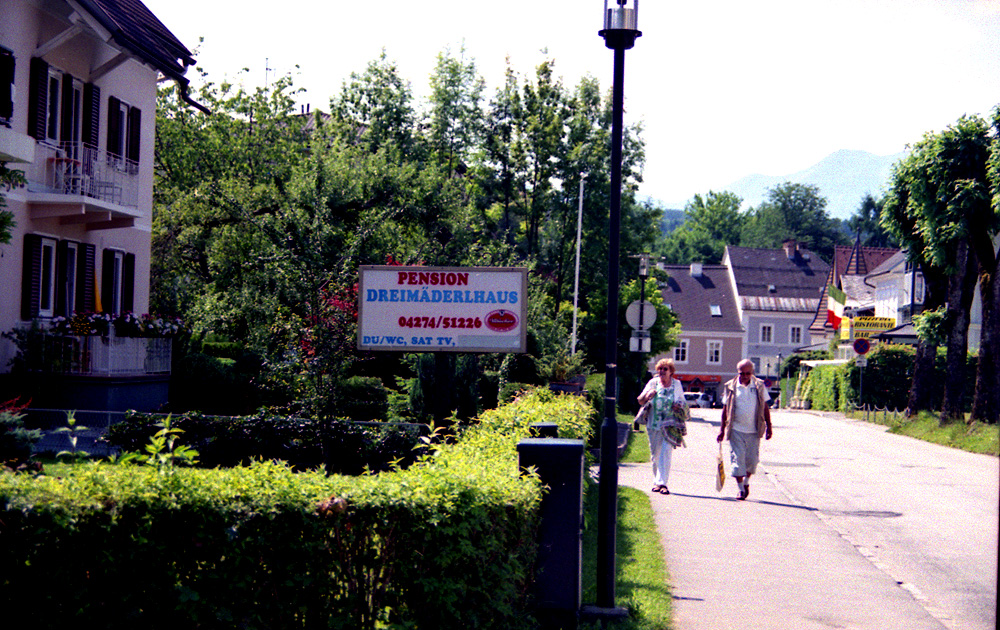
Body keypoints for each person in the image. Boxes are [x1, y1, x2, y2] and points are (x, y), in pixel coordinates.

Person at [717, 359, 773, 500]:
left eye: (748, 373)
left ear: (752, 372)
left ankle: (747, 482)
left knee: (752, 462)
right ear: (738, 372)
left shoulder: (759, 385)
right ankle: (741, 489)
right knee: (737, 461)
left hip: (754, 430)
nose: (745, 376)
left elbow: (765, 407)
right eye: (742, 373)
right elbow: (725, 409)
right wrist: (722, 430)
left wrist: (769, 426)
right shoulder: (730, 386)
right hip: (736, 429)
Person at [637, 358, 688, 495]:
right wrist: (648, 395)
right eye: (660, 368)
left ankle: (662, 483)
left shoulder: (677, 384)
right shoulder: (653, 383)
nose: (662, 371)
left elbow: (683, 402)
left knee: (666, 452)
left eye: (665, 369)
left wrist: (678, 405)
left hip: (670, 425)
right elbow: (640, 400)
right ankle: (657, 481)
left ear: (671, 372)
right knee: (656, 455)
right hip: (653, 424)